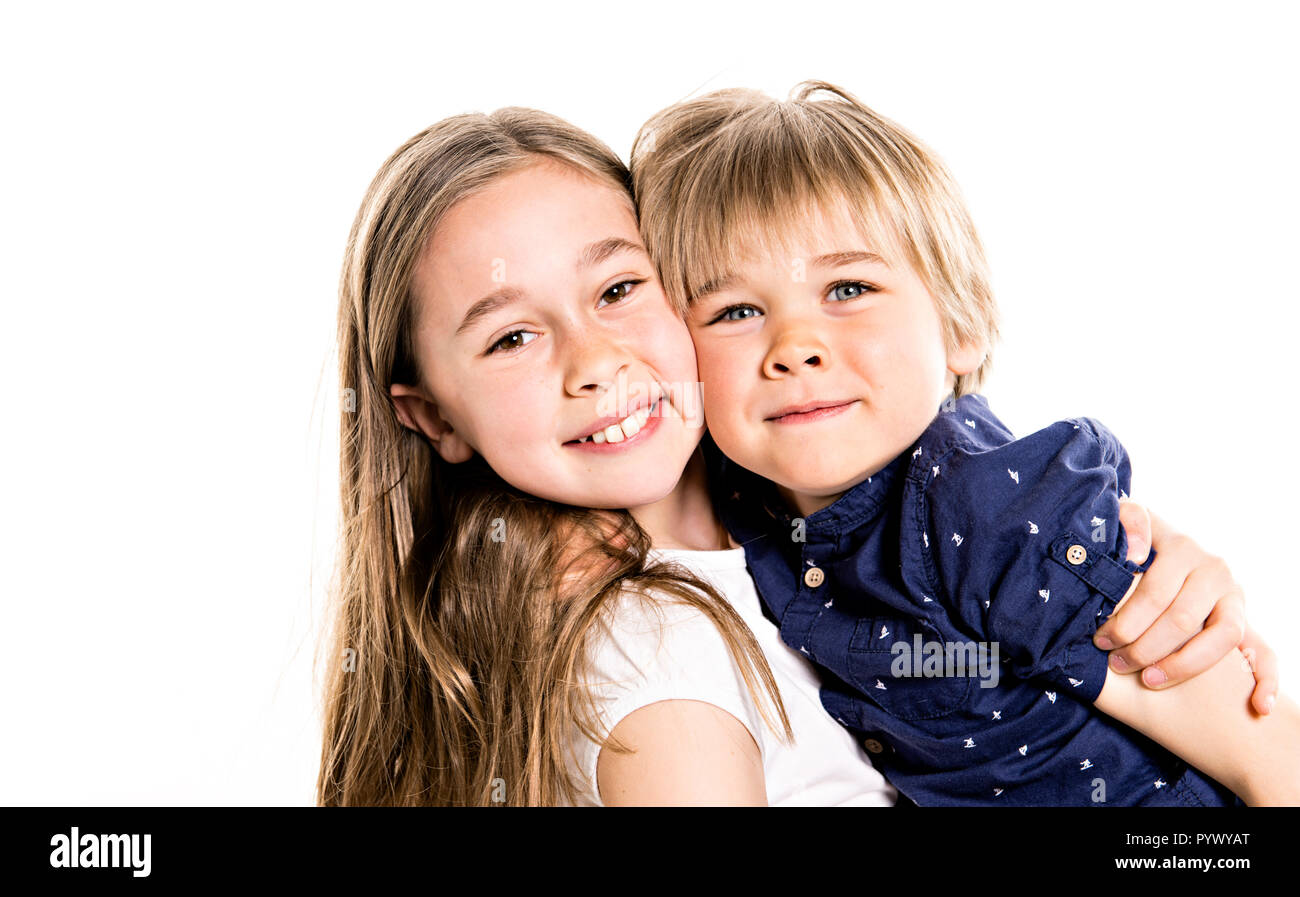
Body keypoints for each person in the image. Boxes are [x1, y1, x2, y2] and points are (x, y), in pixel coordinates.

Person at [317, 104, 1275, 806]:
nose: (595, 361)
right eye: (509, 338)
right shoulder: (647, 641)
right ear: (429, 415)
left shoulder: (835, 508)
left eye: (618, 289)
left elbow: (1255, 747)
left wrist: (1119, 565)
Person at [629, 80, 1299, 805]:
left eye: (848, 289)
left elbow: (1271, 754)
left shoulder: (992, 515)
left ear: (958, 326)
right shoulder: (735, 492)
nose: (795, 346)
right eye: (736, 310)